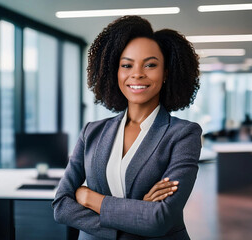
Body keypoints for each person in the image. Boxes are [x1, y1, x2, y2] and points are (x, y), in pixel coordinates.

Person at [52, 15, 202, 240]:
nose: (137, 73)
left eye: (150, 65)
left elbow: (159, 219)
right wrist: (136, 213)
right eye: (127, 65)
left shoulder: (183, 134)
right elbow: (61, 206)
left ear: (166, 73)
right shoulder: (92, 132)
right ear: (115, 72)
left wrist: (89, 198)